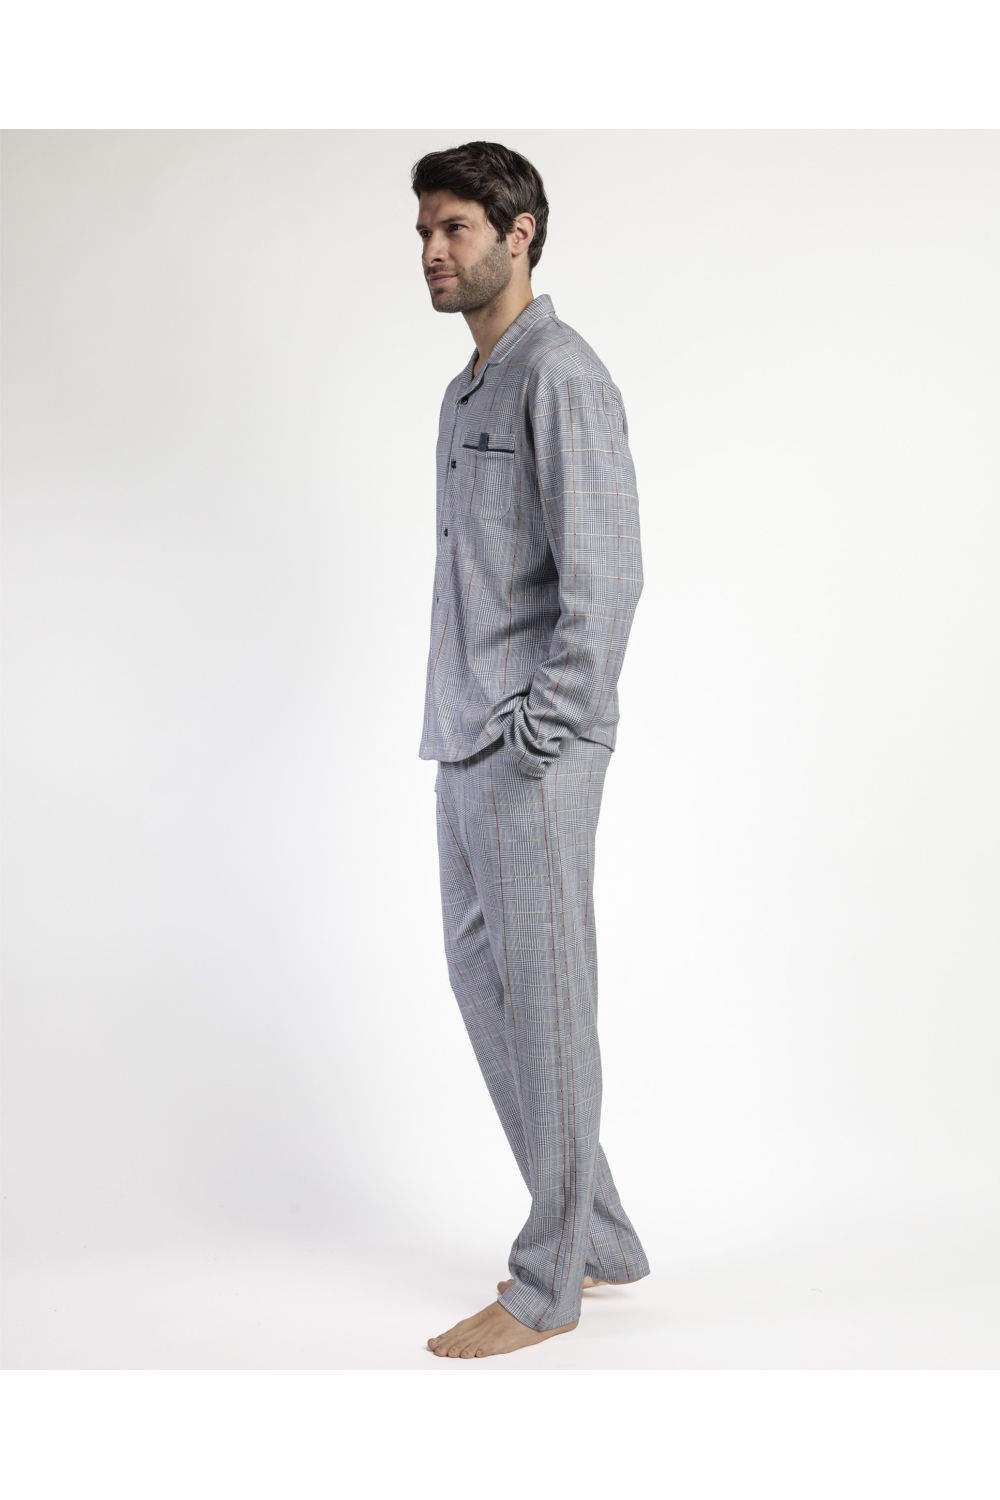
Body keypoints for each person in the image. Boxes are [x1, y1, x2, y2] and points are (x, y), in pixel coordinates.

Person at [415, 142, 649, 1358]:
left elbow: (605, 581)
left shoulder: (561, 375)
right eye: (423, 232)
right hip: (460, 737)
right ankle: (596, 1234)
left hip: (527, 749)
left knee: (547, 1001)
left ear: (520, 233)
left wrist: (537, 734)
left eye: (454, 227)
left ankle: (546, 1283)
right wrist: (472, 732)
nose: (432, 252)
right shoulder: (466, 391)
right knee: (486, 986)